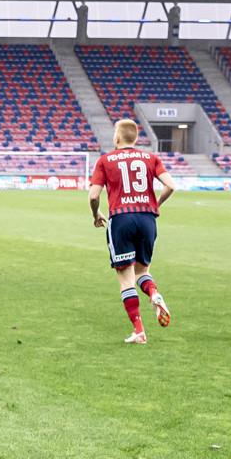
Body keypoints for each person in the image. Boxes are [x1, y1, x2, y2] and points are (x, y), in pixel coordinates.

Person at [87, 119, 174, 343]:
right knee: (142, 272)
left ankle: (139, 331)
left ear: (117, 138)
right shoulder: (151, 158)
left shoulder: (105, 160)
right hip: (147, 219)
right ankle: (153, 292)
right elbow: (171, 185)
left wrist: (96, 214)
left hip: (121, 219)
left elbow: (94, 196)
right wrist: (155, 206)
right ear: (135, 139)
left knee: (126, 279)